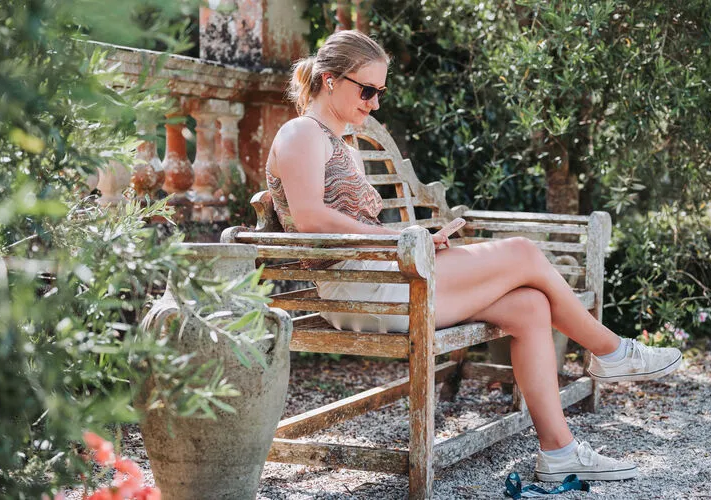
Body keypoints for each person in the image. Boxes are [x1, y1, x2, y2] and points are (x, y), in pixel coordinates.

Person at [265, 29, 682, 482]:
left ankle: (559, 451)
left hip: (385, 274)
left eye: (380, 92)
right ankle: (611, 351)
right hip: (362, 289)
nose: (375, 103)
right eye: (367, 90)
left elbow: (354, 225)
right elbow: (310, 218)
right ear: (330, 80)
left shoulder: (340, 142)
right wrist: (399, 239)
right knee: (522, 251)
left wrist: (416, 239)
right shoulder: (302, 133)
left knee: (529, 306)